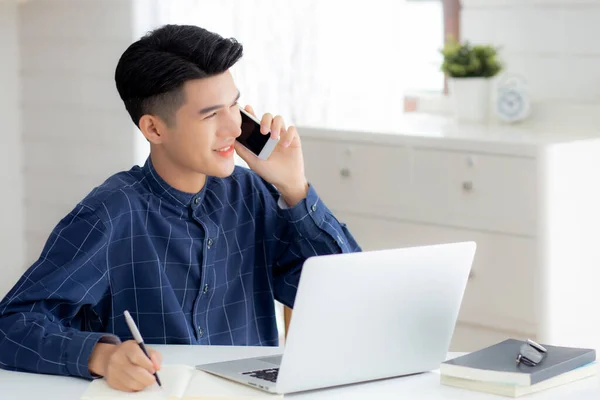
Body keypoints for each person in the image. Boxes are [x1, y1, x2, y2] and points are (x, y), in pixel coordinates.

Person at [0, 24, 361, 392]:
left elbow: (351, 299)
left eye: (234, 104)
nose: (234, 127)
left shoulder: (254, 194)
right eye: (211, 115)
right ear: (154, 129)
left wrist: (295, 189)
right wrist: (103, 356)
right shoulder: (112, 212)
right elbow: (11, 326)